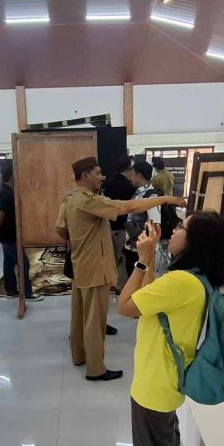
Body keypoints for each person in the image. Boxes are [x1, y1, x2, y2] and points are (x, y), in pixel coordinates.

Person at [117, 211, 224, 446]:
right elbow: (151, 295)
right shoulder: (196, 277)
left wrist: (140, 262)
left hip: (156, 379)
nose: (175, 228)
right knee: (162, 445)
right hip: (165, 376)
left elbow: (125, 306)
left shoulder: (181, 282)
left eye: (182, 227)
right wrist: (151, 259)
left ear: (194, 241)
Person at [56, 156, 185, 381]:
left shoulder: (70, 199)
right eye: (97, 173)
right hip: (95, 267)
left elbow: (60, 230)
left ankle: (79, 356)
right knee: (95, 321)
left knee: (79, 316)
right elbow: (128, 206)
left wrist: (81, 239)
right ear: (85, 176)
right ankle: (95, 369)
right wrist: (165, 198)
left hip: (80, 264)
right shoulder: (88, 200)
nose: (101, 177)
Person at [0, 165, 42, 301]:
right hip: (9, 235)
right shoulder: (6, 193)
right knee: (23, 263)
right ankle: (27, 293)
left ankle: (11, 290)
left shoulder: (3, 191)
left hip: (6, 235)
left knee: (8, 263)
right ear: (12, 177)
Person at [103, 156, 137, 289]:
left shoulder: (107, 183)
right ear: (128, 169)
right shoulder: (128, 185)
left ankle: (112, 281)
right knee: (122, 256)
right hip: (122, 226)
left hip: (108, 225)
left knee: (111, 256)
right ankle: (121, 286)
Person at [123, 162, 162, 277]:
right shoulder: (139, 193)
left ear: (139, 175)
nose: (131, 178)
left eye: (133, 174)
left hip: (142, 251)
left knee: (140, 283)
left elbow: (155, 224)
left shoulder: (151, 196)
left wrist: (149, 249)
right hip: (132, 246)